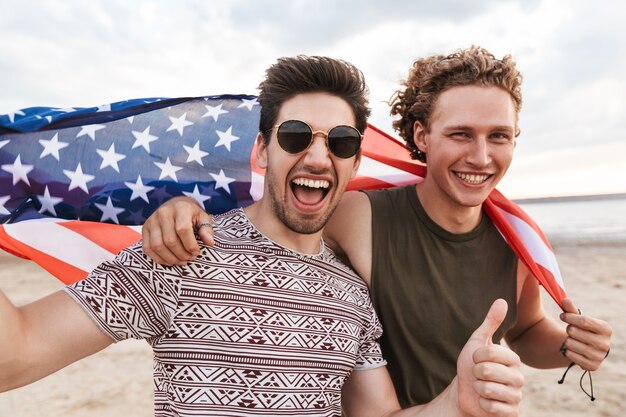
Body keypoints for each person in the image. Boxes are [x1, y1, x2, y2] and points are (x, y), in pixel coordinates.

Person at [0, 55, 525, 417]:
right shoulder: (180, 252)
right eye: (296, 135)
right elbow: (15, 355)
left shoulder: (355, 296)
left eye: (340, 142)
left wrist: (457, 401)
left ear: (355, 159)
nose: (319, 156)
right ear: (261, 151)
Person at [141, 47, 613, 407]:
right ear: (421, 135)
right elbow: (272, 213)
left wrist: (573, 347)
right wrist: (184, 206)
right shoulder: (357, 214)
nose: (481, 156)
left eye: (499, 136)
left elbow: (526, 330)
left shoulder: (519, 240)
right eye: (460, 134)